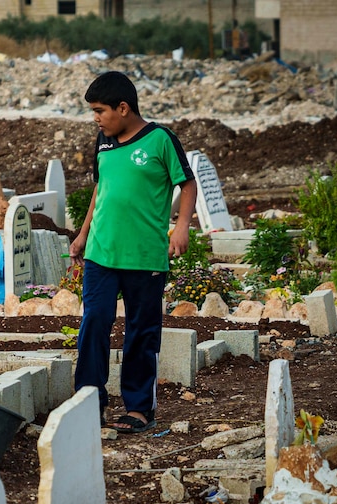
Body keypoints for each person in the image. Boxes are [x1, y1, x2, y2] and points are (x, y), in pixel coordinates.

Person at [69, 71, 197, 433]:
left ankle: (139, 409)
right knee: (94, 324)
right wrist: (82, 234)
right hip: (100, 254)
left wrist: (182, 226)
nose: (95, 118)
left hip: (144, 257)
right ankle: (88, 402)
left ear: (123, 108)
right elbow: (101, 189)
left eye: (99, 110)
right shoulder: (103, 141)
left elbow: (186, 183)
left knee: (141, 332)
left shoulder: (160, 140)